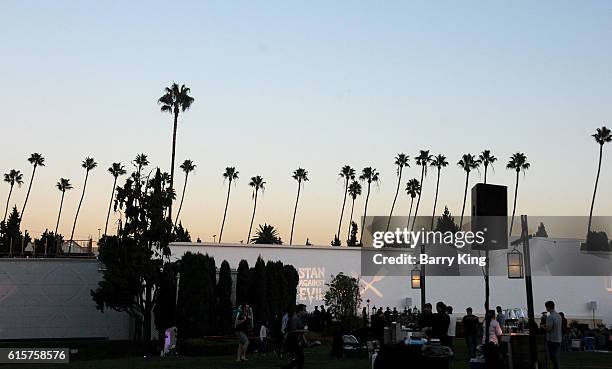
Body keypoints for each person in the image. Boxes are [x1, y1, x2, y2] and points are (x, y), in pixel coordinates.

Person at [282, 304, 308, 369]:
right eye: (304, 310)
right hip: (294, 341)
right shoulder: (295, 318)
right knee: (300, 359)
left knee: (301, 359)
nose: (305, 311)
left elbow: (301, 333)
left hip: (299, 341)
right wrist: (303, 330)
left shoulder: (300, 319)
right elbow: (293, 331)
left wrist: (305, 341)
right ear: (300, 311)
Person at [545, 301, 562, 369]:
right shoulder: (559, 316)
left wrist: (544, 327)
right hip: (558, 338)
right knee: (556, 356)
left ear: (548, 307)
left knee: (554, 357)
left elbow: (549, 328)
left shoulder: (550, 317)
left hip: (552, 339)